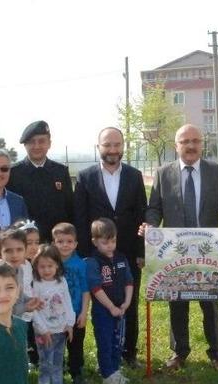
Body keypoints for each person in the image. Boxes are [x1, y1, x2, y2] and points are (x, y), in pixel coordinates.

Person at [143, 124, 218, 370]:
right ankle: (179, 353)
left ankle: (217, 354)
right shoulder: (163, 173)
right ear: (176, 145)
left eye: (195, 141)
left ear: (202, 144)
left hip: (209, 250)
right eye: (184, 141)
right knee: (176, 299)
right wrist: (151, 227)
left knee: (211, 301)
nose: (190, 145)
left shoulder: (216, 172)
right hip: (175, 250)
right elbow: (154, 207)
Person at [75, 127, 147, 369]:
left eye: (117, 144)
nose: (113, 150)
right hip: (97, 255)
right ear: (99, 147)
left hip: (126, 251)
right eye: (107, 145)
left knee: (130, 300)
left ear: (123, 146)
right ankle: (105, 351)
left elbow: (141, 215)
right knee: (101, 304)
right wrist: (86, 255)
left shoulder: (134, 176)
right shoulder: (85, 177)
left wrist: (140, 251)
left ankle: (129, 353)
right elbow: (80, 216)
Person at [86, 218, 134, 384]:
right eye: (105, 242)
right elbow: (96, 288)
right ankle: (107, 374)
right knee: (105, 341)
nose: (110, 246)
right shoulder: (92, 262)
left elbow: (129, 281)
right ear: (95, 241)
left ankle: (115, 369)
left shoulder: (121, 258)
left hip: (121, 309)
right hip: (103, 311)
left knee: (118, 341)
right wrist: (111, 307)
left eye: (113, 241)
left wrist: (126, 303)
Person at [7, 120, 73, 243]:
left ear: (49, 143)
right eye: (32, 142)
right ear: (25, 145)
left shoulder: (61, 171)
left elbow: (69, 208)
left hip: (56, 243)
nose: (37, 146)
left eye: (41, 141)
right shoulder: (14, 173)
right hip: (26, 244)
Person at [30, 245, 76, 384]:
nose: (46, 270)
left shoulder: (61, 281)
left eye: (50, 266)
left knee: (58, 362)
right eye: (42, 266)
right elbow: (34, 311)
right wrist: (43, 330)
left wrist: (70, 323)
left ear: (57, 265)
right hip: (45, 332)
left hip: (60, 330)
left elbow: (68, 302)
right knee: (45, 364)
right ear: (36, 267)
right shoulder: (35, 284)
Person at [52, 223, 92, 384]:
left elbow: (85, 290)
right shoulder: (49, 264)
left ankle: (76, 372)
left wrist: (84, 312)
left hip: (75, 313)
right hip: (55, 314)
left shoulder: (80, 264)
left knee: (76, 344)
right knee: (56, 345)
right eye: (60, 241)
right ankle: (57, 374)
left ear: (75, 244)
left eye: (69, 241)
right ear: (54, 244)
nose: (65, 245)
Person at [0, 228, 42, 366]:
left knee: (19, 352)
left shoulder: (20, 269)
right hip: (2, 325)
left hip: (17, 320)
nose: (14, 255)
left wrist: (29, 301)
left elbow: (19, 293)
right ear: (0, 252)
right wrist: (25, 307)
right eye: (8, 250)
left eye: (19, 250)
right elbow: (3, 309)